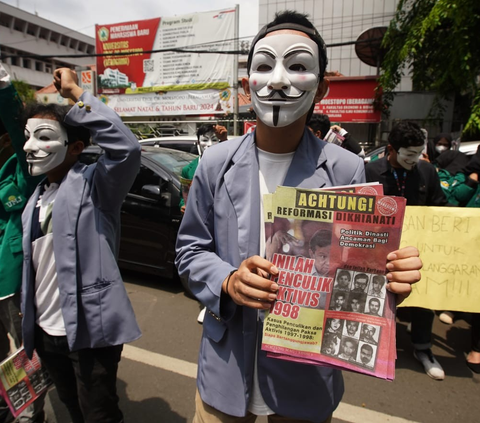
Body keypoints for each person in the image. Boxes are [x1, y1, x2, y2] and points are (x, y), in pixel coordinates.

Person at [176, 11, 422, 422]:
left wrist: (386, 280)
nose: (277, 80)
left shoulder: (345, 169)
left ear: (322, 87)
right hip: (225, 377)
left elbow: (352, 269)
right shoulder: (215, 163)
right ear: (246, 84)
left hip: (305, 382)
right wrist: (228, 280)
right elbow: (189, 251)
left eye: (297, 66)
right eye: (264, 66)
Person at [20, 68, 141, 423]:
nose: (30, 147)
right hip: (46, 332)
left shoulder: (96, 186)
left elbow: (126, 148)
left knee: (99, 414)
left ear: (75, 147)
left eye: (43, 137)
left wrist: (76, 93)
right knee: (71, 408)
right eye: (29, 137)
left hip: (90, 332)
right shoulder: (35, 200)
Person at [366, 120, 447, 381]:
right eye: (409, 154)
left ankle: (423, 348)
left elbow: (440, 206)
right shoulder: (370, 172)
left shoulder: (427, 172)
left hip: (417, 251)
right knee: (377, 297)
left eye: (419, 153)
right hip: (379, 251)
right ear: (391, 149)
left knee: (424, 299)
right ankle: (372, 346)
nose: (415, 159)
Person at [0, 64, 45, 423]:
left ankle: (30, 415)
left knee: (22, 353)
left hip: (10, 282)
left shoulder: (21, 169)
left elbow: (19, 130)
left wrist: (3, 88)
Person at [179, 124, 228, 213]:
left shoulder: (226, 165)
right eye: (205, 140)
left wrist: (224, 140)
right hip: (199, 216)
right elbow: (184, 195)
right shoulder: (187, 170)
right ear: (198, 142)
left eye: (214, 140)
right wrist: (183, 205)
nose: (210, 144)